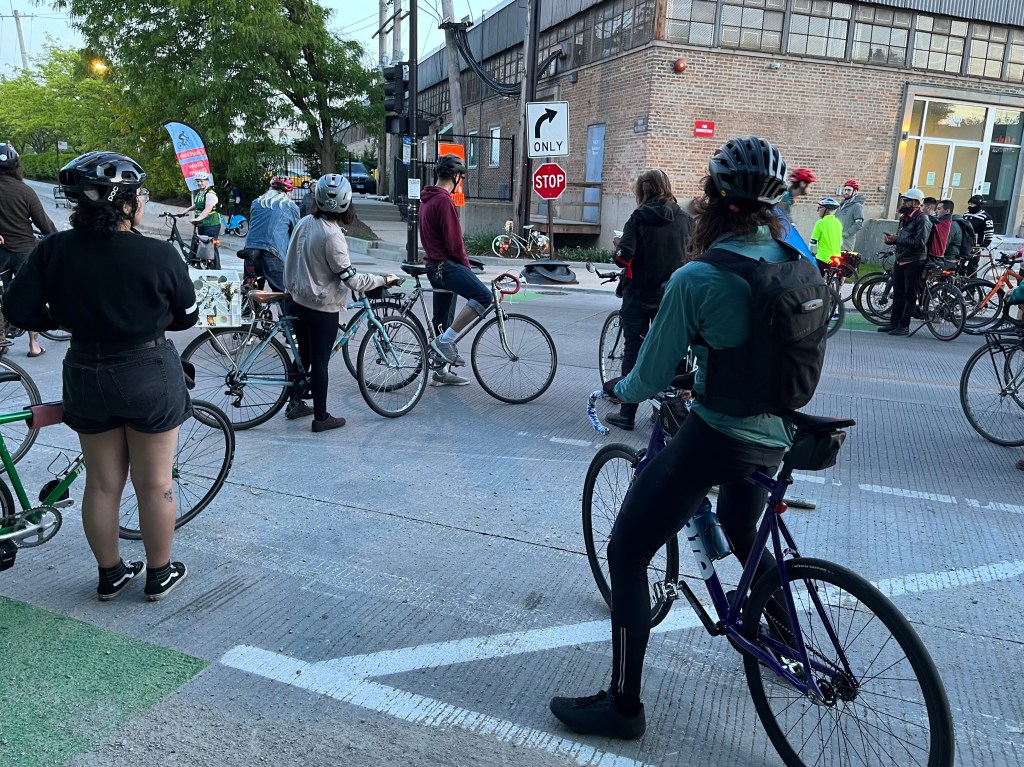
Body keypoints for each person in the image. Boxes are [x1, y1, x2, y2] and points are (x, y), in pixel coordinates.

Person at [549, 136, 806, 740]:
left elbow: (651, 375)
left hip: (718, 435)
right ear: (772, 205)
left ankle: (623, 705)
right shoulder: (796, 257)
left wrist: (619, 388)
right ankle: (786, 634)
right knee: (744, 533)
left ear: (713, 200)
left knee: (628, 551)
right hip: (780, 432)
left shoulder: (698, 277)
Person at [4, 151, 198, 601]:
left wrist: (61, 317)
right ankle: (158, 573)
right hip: (146, 370)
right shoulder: (157, 253)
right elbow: (185, 316)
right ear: (123, 202)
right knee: (155, 483)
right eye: (138, 195)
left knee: (102, 482)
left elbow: (15, 308)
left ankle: (110, 573)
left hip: (85, 370)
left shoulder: (53, 250)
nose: (142, 201)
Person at [283, 173, 399, 432]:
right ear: (347, 203)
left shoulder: (305, 222)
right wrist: (382, 280)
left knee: (303, 355)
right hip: (319, 307)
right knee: (320, 362)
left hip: (297, 299)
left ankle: (295, 403)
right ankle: (321, 417)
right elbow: (352, 279)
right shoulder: (332, 235)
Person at [605, 169, 690, 430]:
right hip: (672, 296)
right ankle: (667, 412)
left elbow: (622, 258)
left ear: (642, 192)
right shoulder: (685, 219)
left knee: (634, 350)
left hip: (639, 294)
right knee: (673, 353)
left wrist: (618, 242)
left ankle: (627, 413)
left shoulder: (639, 218)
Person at [420, 154, 493, 387]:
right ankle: (446, 342)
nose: (460, 181)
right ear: (455, 177)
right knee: (484, 295)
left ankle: (440, 372)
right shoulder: (443, 201)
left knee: (443, 319)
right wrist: (466, 267)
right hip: (446, 267)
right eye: (460, 177)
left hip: (434, 267)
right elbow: (454, 243)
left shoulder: (427, 200)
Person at [0, 142, 56, 357]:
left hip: (1, 253)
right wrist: (58, 237)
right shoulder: (25, 191)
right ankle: (33, 345)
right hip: (25, 250)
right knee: (31, 294)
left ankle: (1, 340)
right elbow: (44, 224)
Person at [878, 188, 932, 337]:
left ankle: (904, 325)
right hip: (901, 259)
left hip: (914, 260)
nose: (904, 203)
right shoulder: (904, 217)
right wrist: (892, 241)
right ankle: (893, 323)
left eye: (907, 201)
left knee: (909, 294)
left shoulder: (923, 219)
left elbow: (920, 242)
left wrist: (898, 240)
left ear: (916, 203)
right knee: (898, 293)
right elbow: (902, 237)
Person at [241, 176, 300, 292]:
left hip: (250, 249)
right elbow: (296, 234)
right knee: (282, 293)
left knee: (251, 290)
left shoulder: (256, 203)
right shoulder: (290, 206)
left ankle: (249, 308)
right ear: (289, 192)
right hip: (272, 252)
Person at [181, 170, 222, 244]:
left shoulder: (210, 194)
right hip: (202, 224)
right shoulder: (200, 193)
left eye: (201, 181)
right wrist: (187, 210)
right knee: (202, 246)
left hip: (211, 224)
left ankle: (214, 256)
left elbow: (208, 209)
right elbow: (198, 205)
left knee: (211, 247)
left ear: (207, 181)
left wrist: (198, 219)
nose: (199, 183)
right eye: (198, 181)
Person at [809, 196, 843, 273]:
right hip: (836, 258)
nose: (817, 210)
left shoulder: (820, 223)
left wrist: (811, 253)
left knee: (814, 277)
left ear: (825, 209)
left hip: (823, 258)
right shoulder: (838, 223)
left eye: (819, 208)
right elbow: (840, 242)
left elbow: (813, 243)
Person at [835, 179, 865, 251]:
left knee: (843, 261)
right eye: (845, 190)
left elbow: (858, 224)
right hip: (836, 239)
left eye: (849, 190)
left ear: (855, 192)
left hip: (846, 241)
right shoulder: (841, 205)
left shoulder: (857, 206)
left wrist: (845, 234)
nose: (846, 192)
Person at [936, 199, 961, 267]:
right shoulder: (944, 222)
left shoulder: (951, 225)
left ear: (947, 211)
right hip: (945, 257)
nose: (936, 211)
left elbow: (943, 244)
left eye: (939, 209)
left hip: (948, 259)